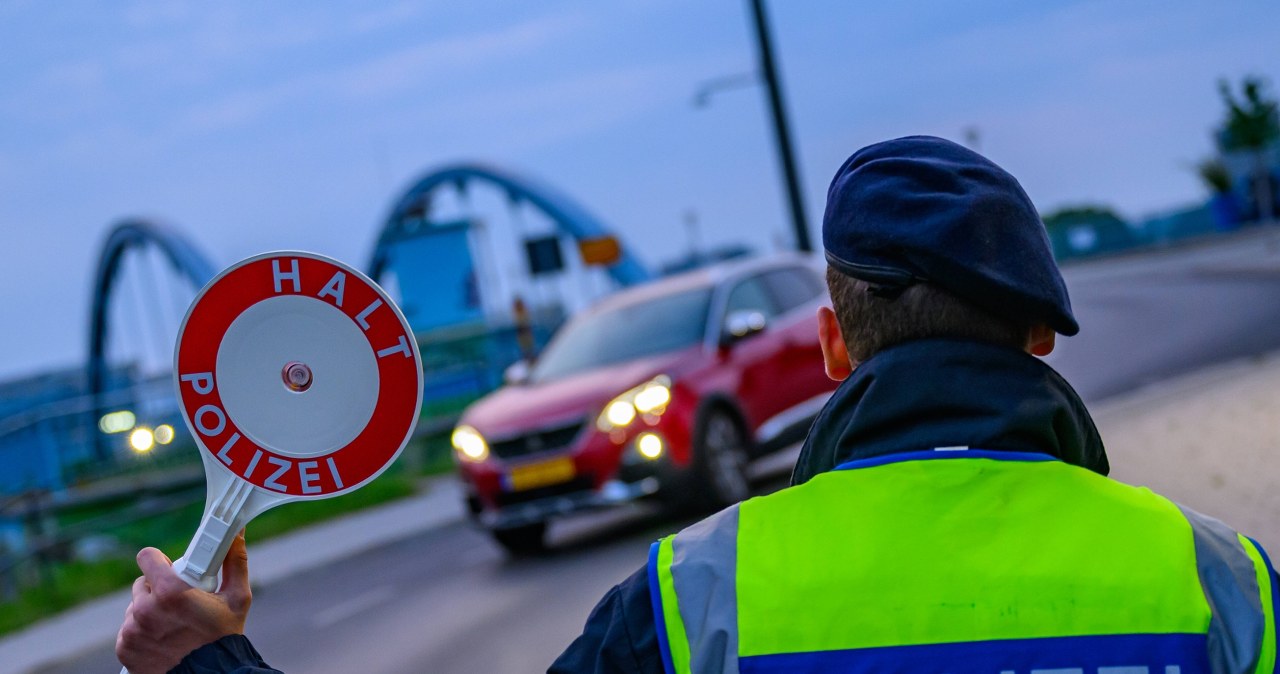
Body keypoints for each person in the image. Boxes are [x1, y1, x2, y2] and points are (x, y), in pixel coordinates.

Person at [116, 136, 1279, 674]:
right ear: (1037, 343)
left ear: (830, 341)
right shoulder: (1220, 582)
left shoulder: (696, 599)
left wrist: (203, 660)